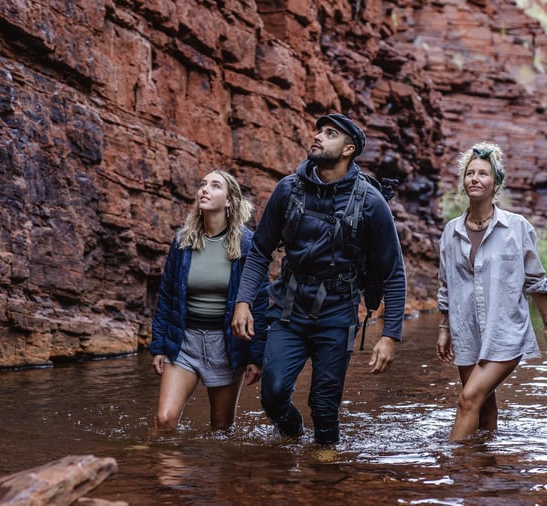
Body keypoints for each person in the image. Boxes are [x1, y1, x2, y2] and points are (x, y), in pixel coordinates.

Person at [232, 114, 407, 445]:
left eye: (330, 134)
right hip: (288, 309)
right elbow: (259, 252)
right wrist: (243, 302)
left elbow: (394, 273)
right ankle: (292, 434)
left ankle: (325, 473)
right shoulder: (288, 190)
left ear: (348, 150)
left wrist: (390, 336)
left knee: (325, 408)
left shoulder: (371, 203)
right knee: (272, 394)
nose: (318, 136)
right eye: (319, 130)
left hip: (338, 314)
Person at [436, 142, 547, 441]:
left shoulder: (517, 227)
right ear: (463, 182)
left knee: (468, 399)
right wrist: (444, 328)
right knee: (482, 405)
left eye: (483, 173)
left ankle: (456, 468)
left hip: (506, 330)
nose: (475, 178)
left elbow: (536, 281)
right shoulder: (451, 231)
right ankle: (486, 469)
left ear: (496, 183)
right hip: (466, 330)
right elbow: (445, 284)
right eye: (469, 173)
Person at [150, 170, 269, 432]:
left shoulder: (248, 245)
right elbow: (167, 297)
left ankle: (216, 475)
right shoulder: (182, 241)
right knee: (164, 420)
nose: (205, 189)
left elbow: (259, 303)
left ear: (229, 200)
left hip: (226, 345)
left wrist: (256, 356)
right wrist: (158, 346)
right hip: (184, 341)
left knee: (221, 429)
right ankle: (166, 472)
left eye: (215, 186)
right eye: (202, 184)